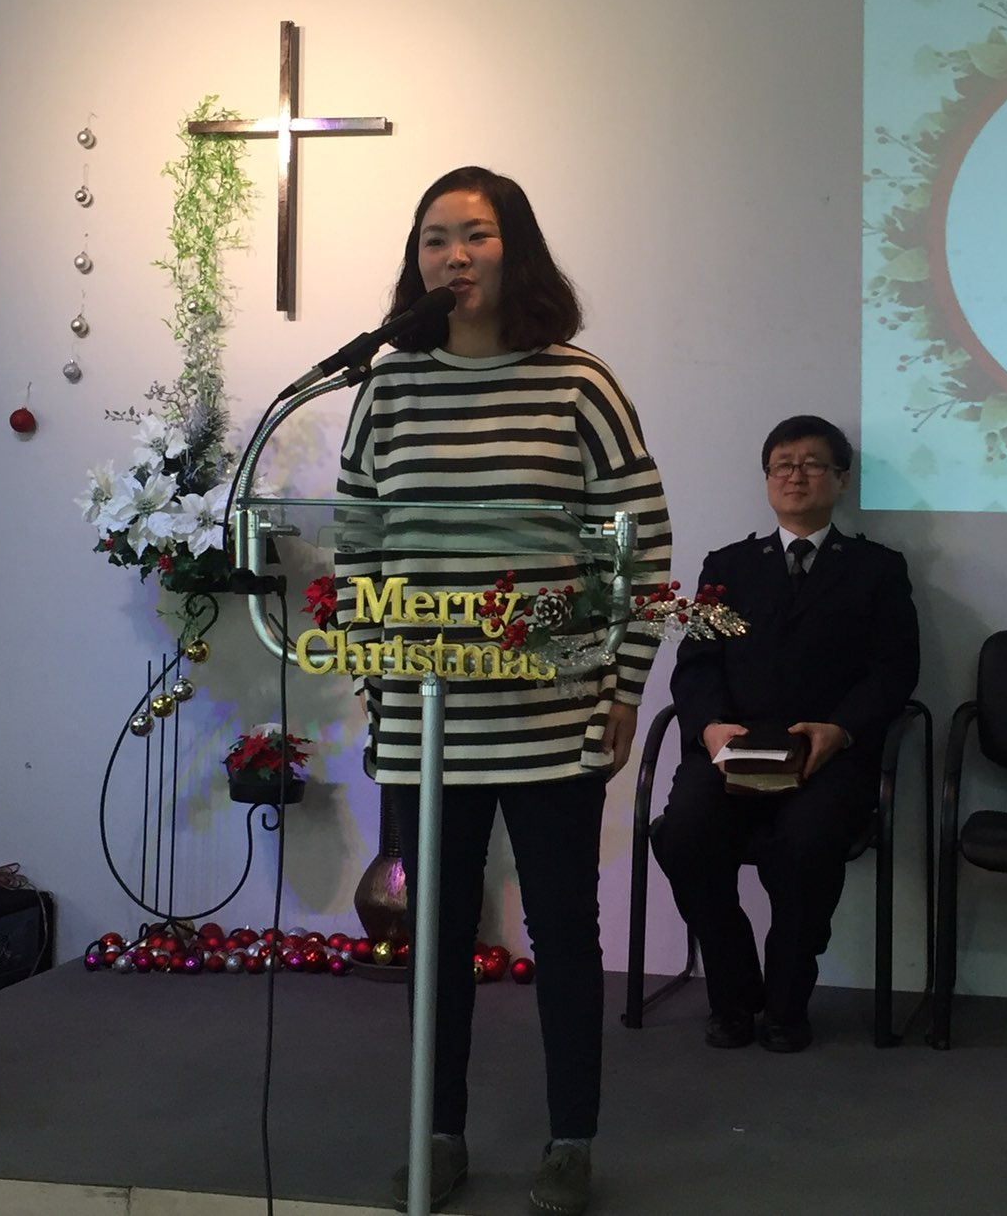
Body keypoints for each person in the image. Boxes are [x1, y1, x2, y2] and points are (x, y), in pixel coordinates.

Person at [335, 166, 672, 1216]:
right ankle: (437, 1132)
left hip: (550, 714)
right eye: (435, 237)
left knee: (563, 932)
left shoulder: (577, 383)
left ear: (514, 249)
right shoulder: (387, 389)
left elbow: (637, 547)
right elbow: (357, 544)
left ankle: (571, 1140)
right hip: (424, 718)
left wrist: (622, 682)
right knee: (433, 936)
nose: (454, 255)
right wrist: (373, 667)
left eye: (475, 235)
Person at [652, 415, 917, 1053]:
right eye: (782, 465)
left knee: (805, 845)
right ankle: (734, 989)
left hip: (829, 759)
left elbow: (894, 670)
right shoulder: (729, 565)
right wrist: (710, 729)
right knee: (681, 834)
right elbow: (696, 665)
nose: (796, 476)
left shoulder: (878, 569)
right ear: (767, 479)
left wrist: (842, 730)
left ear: (842, 480)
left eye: (813, 464)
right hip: (733, 753)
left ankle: (787, 1002)